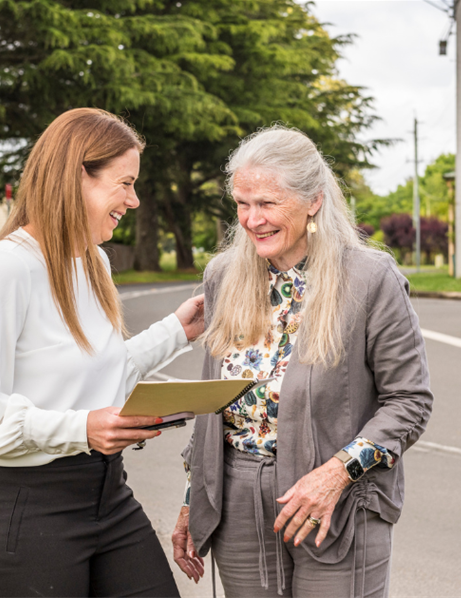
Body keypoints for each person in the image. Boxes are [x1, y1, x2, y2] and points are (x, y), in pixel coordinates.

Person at [0, 107, 203, 598]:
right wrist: (82, 428)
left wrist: (179, 330)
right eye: (124, 183)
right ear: (77, 175)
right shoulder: (1, 272)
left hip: (107, 493)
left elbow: (100, 373)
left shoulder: (93, 263)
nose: (134, 199)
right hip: (27, 506)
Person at [171, 126, 433, 597]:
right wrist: (195, 500)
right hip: (235, 503)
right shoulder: (222, 275)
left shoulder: (370, 279)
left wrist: (336, 474)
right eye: (242, 203)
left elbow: (408, 402)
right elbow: (217, 412)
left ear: (313, 200)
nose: (252, 220)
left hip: (336, 504)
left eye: (267, 203)